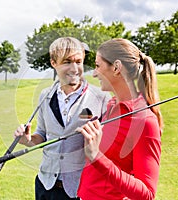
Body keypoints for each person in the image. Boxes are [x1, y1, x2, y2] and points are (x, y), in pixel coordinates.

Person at [14, 37, 111, 200]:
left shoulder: (101, 98)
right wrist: (28, 139)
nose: (75, 69)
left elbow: (109, 148)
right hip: (45, 185)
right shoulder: (45, 95)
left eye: (79, 62)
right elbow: (43, 135)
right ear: (54, 63)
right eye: (67, 62)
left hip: (79, 190)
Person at [77, 38, 164, 200]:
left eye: (97, 66)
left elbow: (147, 194)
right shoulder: (111, 106)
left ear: (116, 67)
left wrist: (97, 156)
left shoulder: (144, 121)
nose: (94, 73)